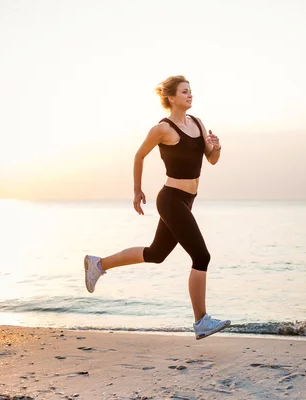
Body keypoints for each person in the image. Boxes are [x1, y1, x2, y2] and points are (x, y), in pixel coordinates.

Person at [83, 75, 230, 340]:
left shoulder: (197, 123)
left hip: (187, 200)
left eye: (191, 91)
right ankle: (201, 321)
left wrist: (217, 147)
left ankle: (98, 264)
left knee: (156, 253)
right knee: (202, 256)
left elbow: (212, 159)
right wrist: (137, 190)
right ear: (171, 97)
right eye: (185, 91)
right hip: (171, 199)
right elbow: (139, 155)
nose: (190, 95)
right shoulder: (162, 129)